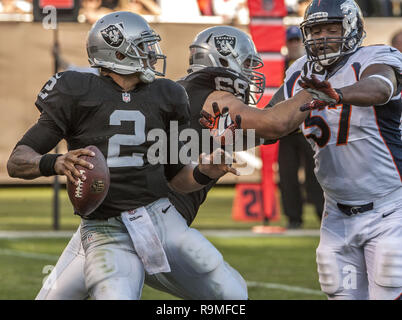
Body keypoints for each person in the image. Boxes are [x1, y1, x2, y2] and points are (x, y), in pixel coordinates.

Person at [33, 24, 317, 300]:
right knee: (231, 296)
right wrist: (315, 84)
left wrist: (298, 86)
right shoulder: (214, 97)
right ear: (224, 61)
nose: (251, 73)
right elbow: (275, 123)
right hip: (152, 224)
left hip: (105, 219)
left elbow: (268, 129)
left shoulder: (186, 96)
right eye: (246, 64)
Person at [7, 12, 240, 300]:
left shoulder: (167, 95)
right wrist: (54, 162)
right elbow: (17, 161)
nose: (152, 54)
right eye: (143, 46)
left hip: (160, 218)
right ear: (117, 51)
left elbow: (177, 180)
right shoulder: (77, 91)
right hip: (104, 226)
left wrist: (205, 171)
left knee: (231, 293)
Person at [205, 0, 402, 300]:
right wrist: (231, 136)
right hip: (337, 213)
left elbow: (380, 87)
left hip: (390, 208)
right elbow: (273, 124)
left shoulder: (376, 56)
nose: (322, 37)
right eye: (316, 30)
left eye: (331, 28)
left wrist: (339, 95)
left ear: (351, 28)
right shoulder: (300, 72)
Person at [278, 26, 324, 229]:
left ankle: (322, 214)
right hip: (287, 129)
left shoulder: (312, 65)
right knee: (287, 175)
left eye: (298, 40)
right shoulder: (280, 66)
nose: (295, 44)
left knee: (315, 174)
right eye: (291, 41)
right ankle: (293, 218)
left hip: (308, 127)